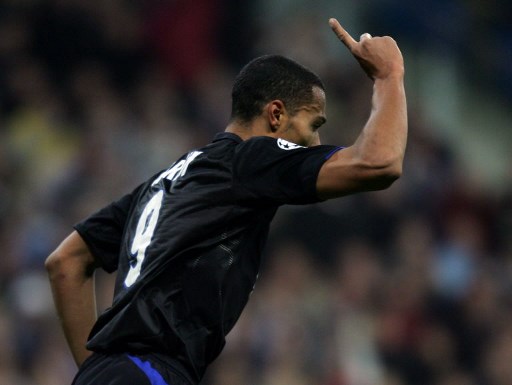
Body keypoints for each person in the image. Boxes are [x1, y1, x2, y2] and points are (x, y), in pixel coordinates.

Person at [45, 18, 407, 385]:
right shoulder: (251, 159)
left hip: (117, 372)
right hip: (153, 372)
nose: (316, 144)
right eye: (313, 125)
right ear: (276, 115)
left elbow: (66, 261)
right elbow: (378, 162)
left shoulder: (162, 183)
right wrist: (389, 76)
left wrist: (97, 371)